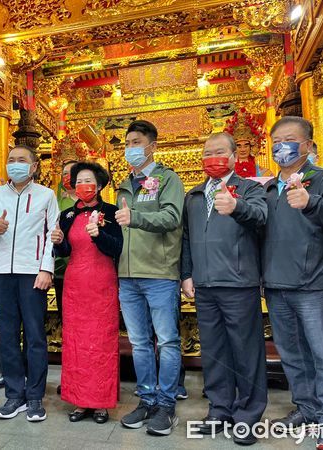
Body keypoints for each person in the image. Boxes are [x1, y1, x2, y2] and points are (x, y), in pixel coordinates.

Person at [262, 117, 323, 450]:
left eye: (289, 139)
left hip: (316, 285)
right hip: (276, 284)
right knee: (293, 355)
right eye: (276, 140)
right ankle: (307, 408)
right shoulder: (270, 188)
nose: (281, 146)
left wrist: (312, 203)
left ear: (307, 145)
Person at [181, 132, 268, 445]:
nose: (212, 158)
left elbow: (261, 217)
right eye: (207, 152)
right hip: (204, 285)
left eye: (219, 152)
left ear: (233, 157)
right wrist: (186, 273)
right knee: (215, 351)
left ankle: (248, 414)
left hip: (238, 283)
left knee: (246, 351)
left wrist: (236, 206)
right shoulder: (192, 196)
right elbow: (187, 239)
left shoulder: (249, 188)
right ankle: (219, 409)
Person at [0, 145, 58, 422]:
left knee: (35, 336)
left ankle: (35, 397)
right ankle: (14, 395)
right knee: (8, 336)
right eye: (11, 160)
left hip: (32, 272)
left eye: (22, 160)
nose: (15, 164)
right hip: (0, 272)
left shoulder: (46, 195)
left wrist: (46, 268)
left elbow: (52, 234)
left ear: (34, 166)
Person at [115, 120, 184, 436]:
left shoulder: (167, 179)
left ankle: (166, 406)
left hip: (159, 274)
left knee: (167, 341)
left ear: (152, 145)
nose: (131, 147)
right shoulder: (123, 185)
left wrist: (136, 218)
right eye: (128, 142)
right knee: (140, 343)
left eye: (137, 141)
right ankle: (146, 399)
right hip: (127, 276)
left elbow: (172, 217)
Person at [52, 162, 122, 424]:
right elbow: (65, 251)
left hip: (102, 282)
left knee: (101, 342)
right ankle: (80, 400)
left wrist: (99, 235)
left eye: (88, 180)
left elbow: (116, 249)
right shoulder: (67, 215)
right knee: (77, 343)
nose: (82, 185)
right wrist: (58, 243)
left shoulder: (112, 213)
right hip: (74, 284)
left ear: (100, 185)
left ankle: (101, 402)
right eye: (78, 181)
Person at [54, 159, 78, 395]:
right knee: (67, 326)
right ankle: (69, 375)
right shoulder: (56, 203)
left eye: (72, 172)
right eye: (64, 173)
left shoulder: (94, 204)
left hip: (90, 276)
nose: (68, 176)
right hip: (62, 274)